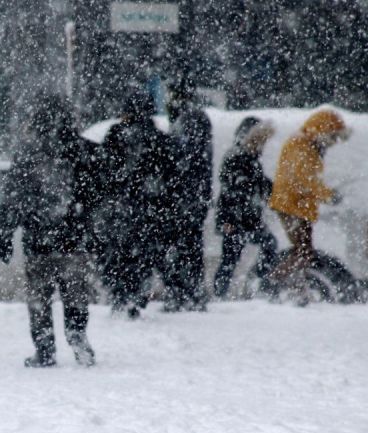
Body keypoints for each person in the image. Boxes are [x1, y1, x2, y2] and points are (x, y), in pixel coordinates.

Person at [0, 95, 96, 368]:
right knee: (75, 296)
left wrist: (5, 233)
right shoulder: (82, 151)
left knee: (39, 299)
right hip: (73, 239)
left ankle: (44, 349)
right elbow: (96, 197)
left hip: (38, 239)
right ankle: (77, 338)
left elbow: (13, 197)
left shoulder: (28, 153)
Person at [100, 90, 174, 319]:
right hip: (150, 208)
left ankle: (119, 295)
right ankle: (136, 296)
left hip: (120, 206)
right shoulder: (159, 138)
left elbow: (103, 170)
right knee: (143, 255)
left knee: (118, 254)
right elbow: (170, 175)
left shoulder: (115, 134)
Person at [267, 109, 350, 305]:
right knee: (304, 252)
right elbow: (305, 180)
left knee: (303, 251)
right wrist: (328, 195)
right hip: (292, 206)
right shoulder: (301, 146)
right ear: (322, 132)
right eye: (332, 137)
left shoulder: (307, 145)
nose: (333, 143)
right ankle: (274, 281)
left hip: (297, 206)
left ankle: (296, 288)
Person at [212, 117, 278, 298]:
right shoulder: (237, 157)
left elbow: (260, 185)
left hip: (247, 218)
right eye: (261, 140)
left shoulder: (249, 158)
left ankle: (251, 281)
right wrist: (228, 220)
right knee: (231, 258)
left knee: (233, 258)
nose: (263, 145)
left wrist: (276, 192)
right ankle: (223, 292)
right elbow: (233, 192)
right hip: (235, 219)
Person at [164, 78, 214, 311]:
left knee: (185, 245)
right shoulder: (194, 118)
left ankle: (185, 294)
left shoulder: (190, 119)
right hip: (191, 196)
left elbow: (185, 157)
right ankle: (188, 292)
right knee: (188, 245)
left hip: (186, 197)